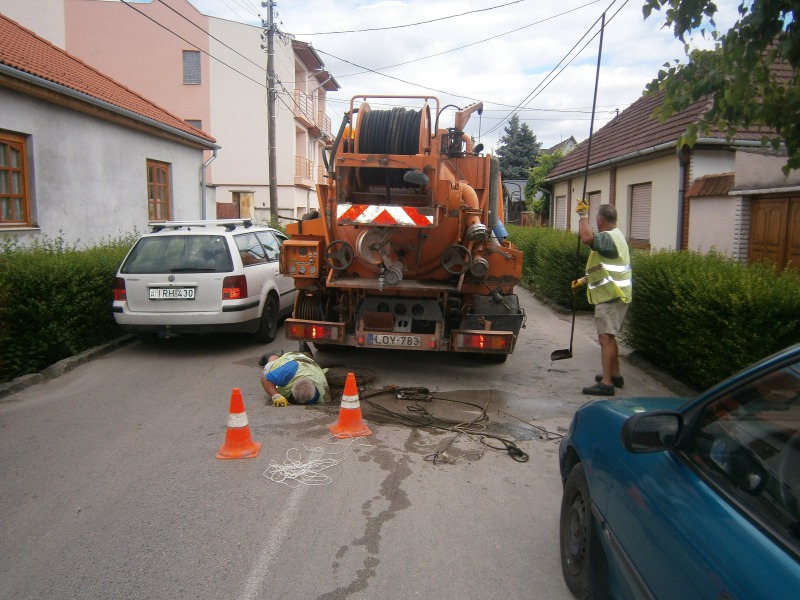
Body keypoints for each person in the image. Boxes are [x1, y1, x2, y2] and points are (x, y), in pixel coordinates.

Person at [571, 201, 632, 396]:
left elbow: (587, 238)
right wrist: (583, 280)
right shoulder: (617, 236)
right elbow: (604, 267)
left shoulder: (607, 238)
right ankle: (615, 375)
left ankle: (607, 383)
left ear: (600, 219)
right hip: (618, 294)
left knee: (605, 337)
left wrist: (582, 216)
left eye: (595, 220)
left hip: (611, 296)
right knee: (610, 335)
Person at [259, 349, 331, 407]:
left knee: (307, 356)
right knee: (269, 367)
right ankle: (274, 355)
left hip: (309, 362)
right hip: (292, 358)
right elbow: (265, 378)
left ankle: (305, 352)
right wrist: (276, 396)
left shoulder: (323, 393)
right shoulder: (288, 372)